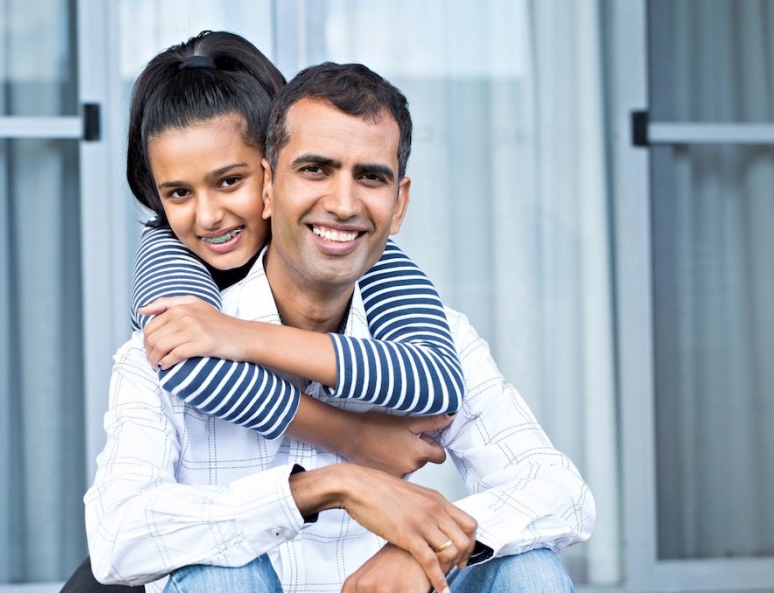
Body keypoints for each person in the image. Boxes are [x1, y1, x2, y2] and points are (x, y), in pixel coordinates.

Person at [85, 60, 595, 592]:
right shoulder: (170, 342)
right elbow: (117, 537)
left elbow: (563, 492)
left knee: (528, 570)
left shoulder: (432, 334)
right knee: (219, 575)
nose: (343, 204)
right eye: (314, 170)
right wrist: (324, 487)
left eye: (371, 177)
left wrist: (427, 547)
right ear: (269, 185)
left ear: (398, 205)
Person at [125, 31, 464, 470]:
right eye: (178, 193)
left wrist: (240, 337)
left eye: (230, 181)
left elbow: (434, 379)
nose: (207, 216)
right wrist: (354, 436)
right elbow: (188, 362)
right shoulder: (168, 249)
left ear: (274, 173)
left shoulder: (349, 246)